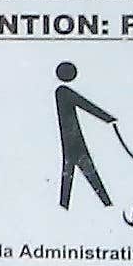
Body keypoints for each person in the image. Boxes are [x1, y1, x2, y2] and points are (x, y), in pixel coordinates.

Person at [51, 59, 121, 212]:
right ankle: (106, 205)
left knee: (71, 172)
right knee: (78, 170)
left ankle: (64, 207)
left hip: (72, 141)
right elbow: (84, 104)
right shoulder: (63, 92)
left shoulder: (62, 92)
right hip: (73, 141)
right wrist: (107, 118)